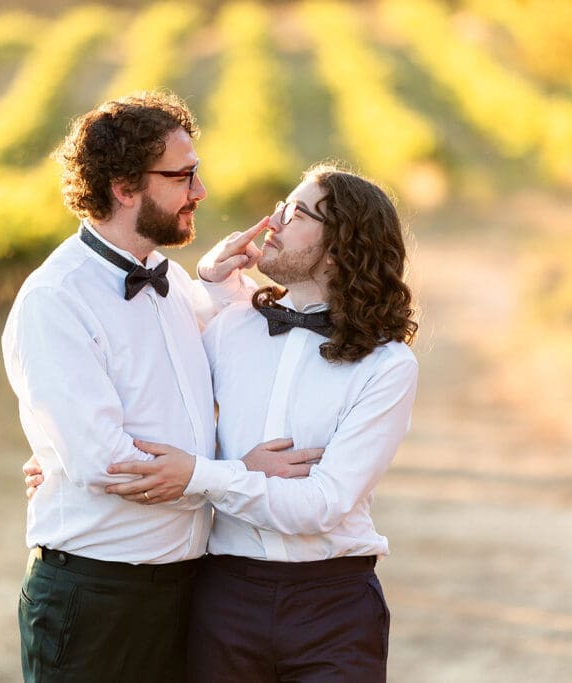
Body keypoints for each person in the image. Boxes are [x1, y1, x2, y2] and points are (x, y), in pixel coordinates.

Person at [2, 91, 320, 683]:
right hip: (100, 595)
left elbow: (228, 374)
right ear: (124, 187)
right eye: (183, 176)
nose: (200, 192)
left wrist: (216, 281)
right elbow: (107, 463)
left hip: (188, 588)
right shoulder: (56, 300)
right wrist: (237, 476)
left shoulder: (171, 280)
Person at [99, 163, 419, 681]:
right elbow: (150, 404)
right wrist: (57, 456)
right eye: (279, 205)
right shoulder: (230, 329)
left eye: (295, 213)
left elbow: (322, 506)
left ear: (340, 247)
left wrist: (205, 476)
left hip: (334, 609)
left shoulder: (387, 366)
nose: (272, 221)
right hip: (222, 598)